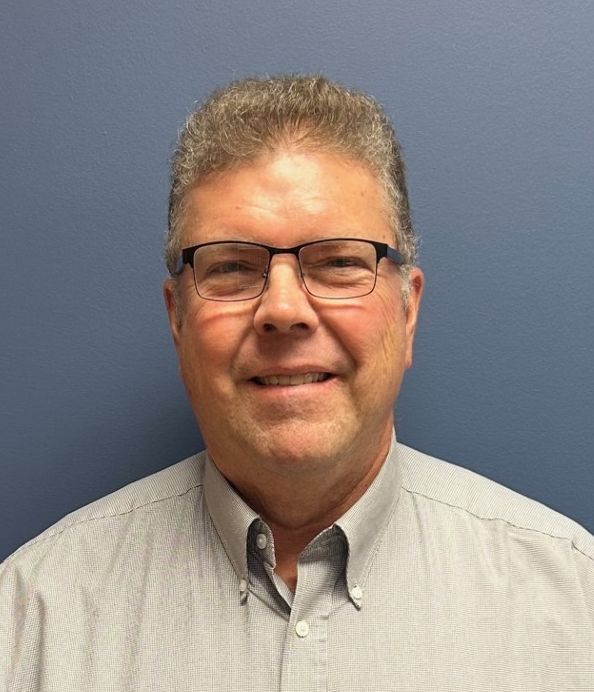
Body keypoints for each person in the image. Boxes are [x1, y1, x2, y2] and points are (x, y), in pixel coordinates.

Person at [1, 75, 593, 691]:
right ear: (178, 321)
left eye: (338, 262)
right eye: (232, 266)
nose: (283, 310)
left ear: (408, 313)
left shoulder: (573, 605)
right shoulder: (32, 617)